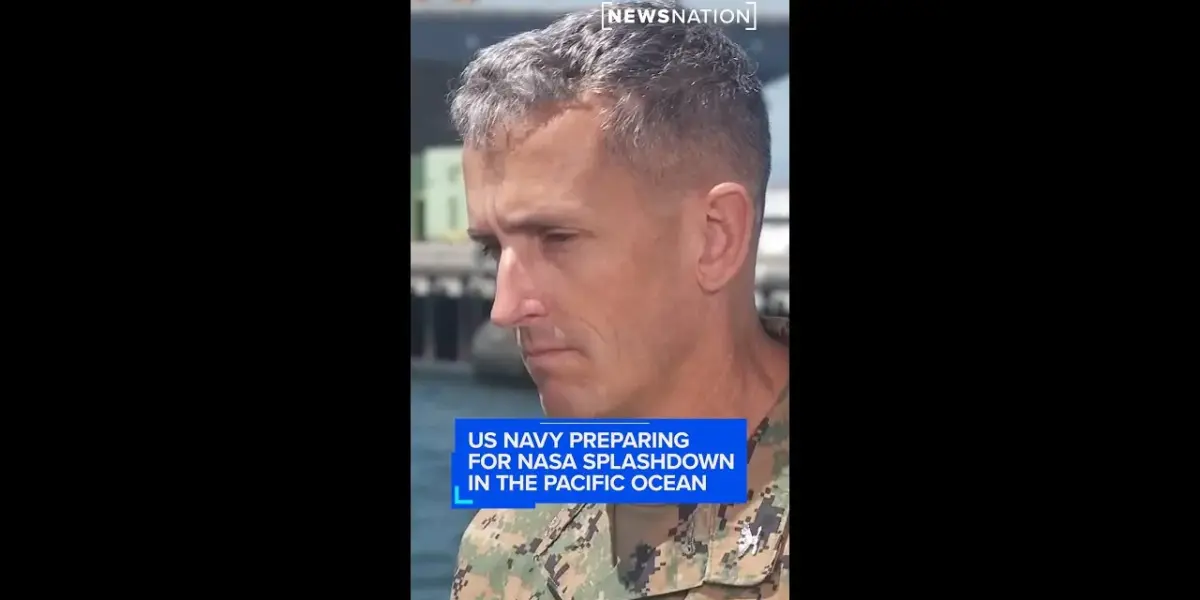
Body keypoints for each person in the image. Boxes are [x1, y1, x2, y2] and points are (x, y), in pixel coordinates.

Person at [448, 2, 791, 598]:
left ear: (715, 237)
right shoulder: (508, 541)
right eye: (492, 249)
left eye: (558, 238)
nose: (505, 309)